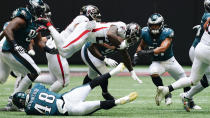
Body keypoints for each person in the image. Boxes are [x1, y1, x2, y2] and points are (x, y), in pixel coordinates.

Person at [12, 63, 138, 116]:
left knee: (98, 105)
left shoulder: (28, 110)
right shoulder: (36, 88)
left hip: (69, 111)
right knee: (92, 84)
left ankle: (121, 100)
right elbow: (44, 91)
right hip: (66, 97)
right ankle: (114, 71)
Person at [0, 1, 57, 111]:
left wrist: (48, 49)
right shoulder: (23, 18)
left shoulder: (35, 22)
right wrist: (15, 45)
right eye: (41, 12)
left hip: (13, 51)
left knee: (2, 78)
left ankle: (12, 101)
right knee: (35, 71)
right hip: (11, 50)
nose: (43, 15)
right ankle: (13, 101)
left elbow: (39, 41)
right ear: (34, 9)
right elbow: (7, 30)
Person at [155, 14, 210, 111]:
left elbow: (205, 26)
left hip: (200, 47)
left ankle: (167, 89)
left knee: (193, 80)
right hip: (208, 50)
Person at [133, 13, 190, 106]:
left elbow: (163, 48)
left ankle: (189, 102)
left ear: (162, 24)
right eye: (152, 25)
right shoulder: (144, 32)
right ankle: (167, 94)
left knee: (185, 80)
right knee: (153, 73)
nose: (155, 27)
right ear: (148, 25)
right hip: (157, 62)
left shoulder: (167, 32)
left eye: (157, 25)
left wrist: (147, 52)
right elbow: (141, 46)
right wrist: (136, 56)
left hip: (170, 61)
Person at [35, 5, 128, 59]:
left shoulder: (90, 22)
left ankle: (50, 27)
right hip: (67, 38)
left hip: (69, 39)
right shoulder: (83, 19)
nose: (98, 15)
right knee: (64, 50)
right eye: (95, 13)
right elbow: (80, 27)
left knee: (65, 54)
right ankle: (48, 24)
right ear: (89, 13)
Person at [81, 22, 142, 100]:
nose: (132, 41)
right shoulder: (115, 31)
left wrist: (131, 71)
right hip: (89, 51)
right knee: (104, 74)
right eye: (132, 37)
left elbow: (125, 55)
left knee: (92, 75)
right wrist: (104, 58)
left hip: (96, 54)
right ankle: (105, 93)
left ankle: (80, 94)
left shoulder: (123, 40)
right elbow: (91, 46)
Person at [178, 0, 210, 111]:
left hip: (200, 48)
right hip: (202, 49)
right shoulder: (208, 16)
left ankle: (186, 97)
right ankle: (186, 97)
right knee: (201, 79)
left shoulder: (206, 15)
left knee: (205, 80)